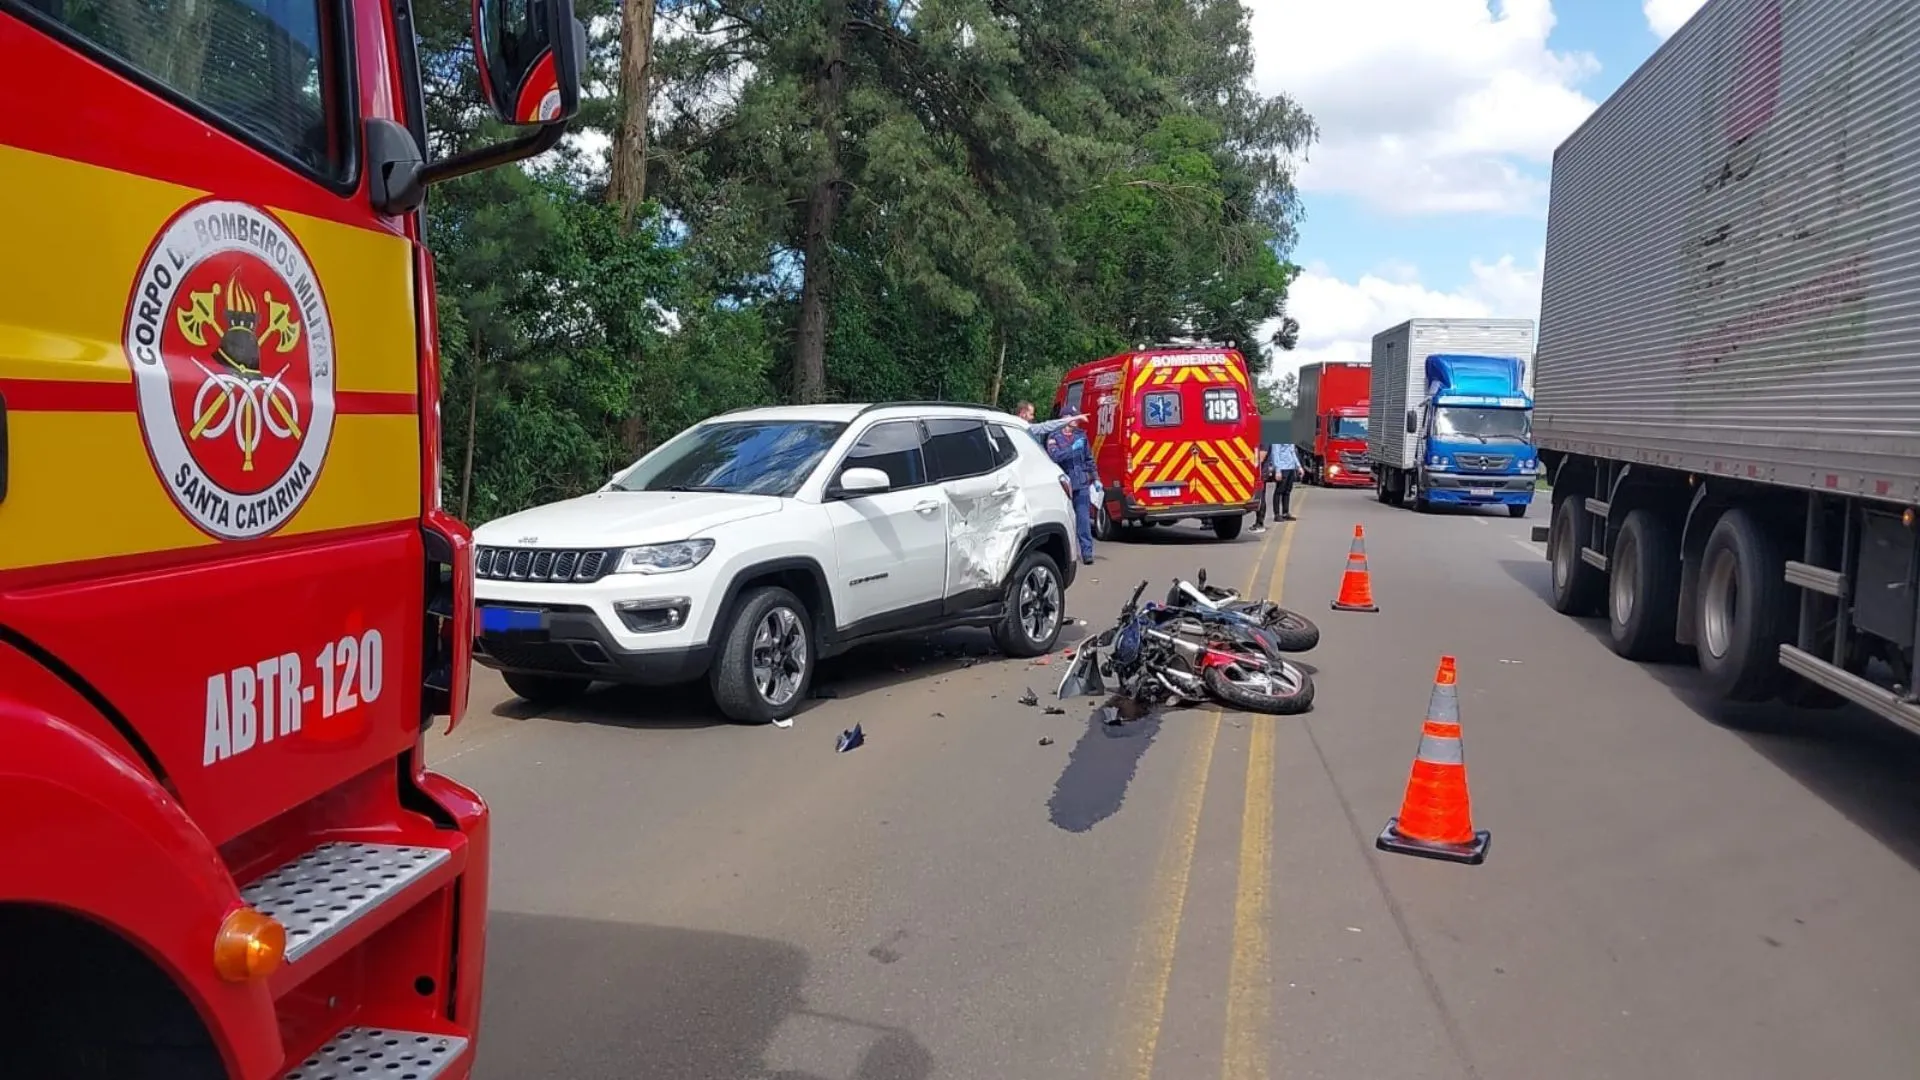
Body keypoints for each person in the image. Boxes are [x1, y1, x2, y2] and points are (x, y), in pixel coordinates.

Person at [1045, 417, 1100, 564]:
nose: (1076, 420)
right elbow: (1055, 457)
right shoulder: (1053, 437)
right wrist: (1071, 449)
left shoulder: (1081, 436)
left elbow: (1089, 459)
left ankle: (1087, 553)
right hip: (1064, 485)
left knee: (1083, 521)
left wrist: (1096, 478)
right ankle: (1069, 555)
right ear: (1064, 419)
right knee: (1067, 521)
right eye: (1072, 417)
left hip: (1081, 482)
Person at [1254, 439, 1299, 530]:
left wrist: (1298, 466)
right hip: (1282, 468)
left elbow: (1292, 452)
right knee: (1279, 491)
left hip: (1290, 467)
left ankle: (1285, 512)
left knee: (1287, 491)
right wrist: (1277, 470)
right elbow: (1276, 454)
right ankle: (1276, 514)